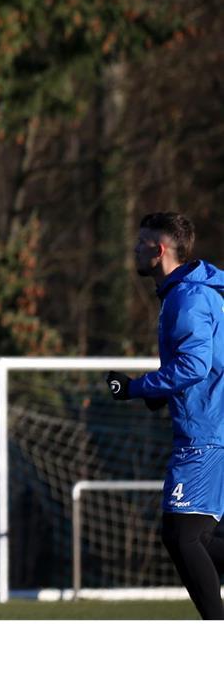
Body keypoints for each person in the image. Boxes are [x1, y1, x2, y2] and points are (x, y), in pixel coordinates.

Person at [106, 212, 224, 620]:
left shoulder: (187, 297)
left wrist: (137, 387)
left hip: (206, 434)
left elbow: (194, 365)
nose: (135, 249)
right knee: (196, 537)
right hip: (209, 427)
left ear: (158, 252)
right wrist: (159, 394)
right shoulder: (189, 292)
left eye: (141, 243)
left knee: (181, 535)